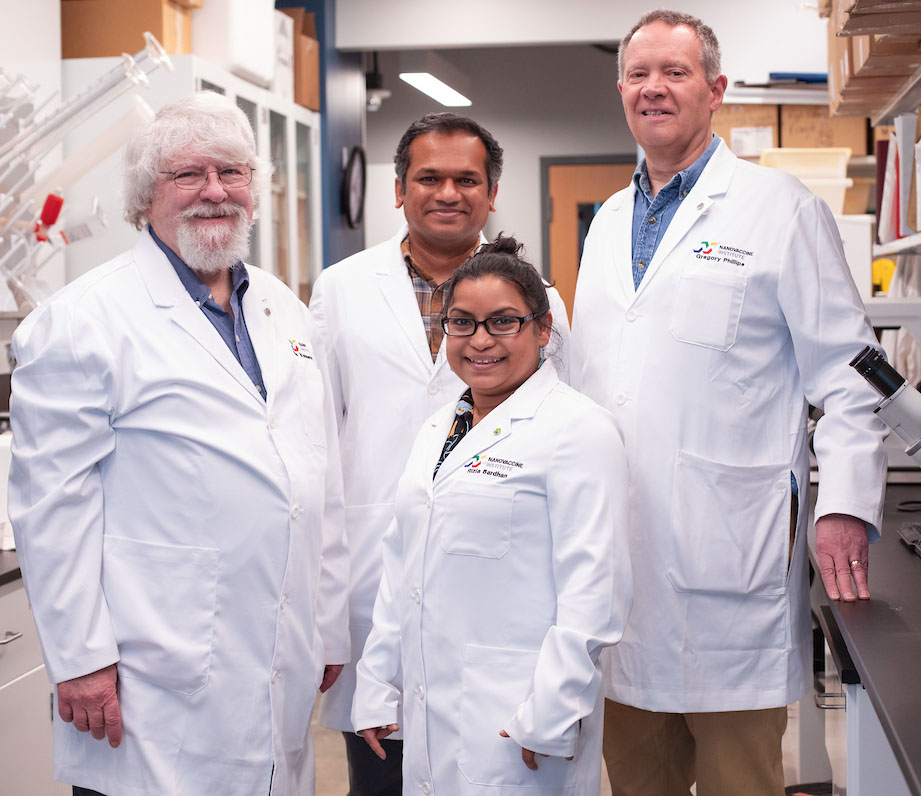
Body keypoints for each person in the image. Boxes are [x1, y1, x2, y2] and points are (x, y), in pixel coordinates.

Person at [570, 10, 888, 796]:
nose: (654, 88)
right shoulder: (607, 222)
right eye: (639, 74)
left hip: (727, 565)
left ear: (714, 91)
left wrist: (844, 506)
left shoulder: (778, 211)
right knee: (634, 781)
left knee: (738, 780)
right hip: (616, 571)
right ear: (620, 92)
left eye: (674, 73)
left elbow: (848, 378)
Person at [8, 91, 349, 796]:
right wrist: (79, 659)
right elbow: (52, 507)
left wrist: (329, 623)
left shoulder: (281, 306)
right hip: (152, 666)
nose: (214, 192)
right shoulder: (82, 321)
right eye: (187, 175)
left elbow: (321, 475)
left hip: (279, 644)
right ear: (144, 199)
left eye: (232, 172)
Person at [309, 113, 570, 795]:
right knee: (380, 770)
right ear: (398, 190)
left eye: (466, 179)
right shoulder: (341, 288)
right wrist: (322, 601)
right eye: (429, 177)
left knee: (491, 767)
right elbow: (315, 443)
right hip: (372, 577)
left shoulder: (539, 302)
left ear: (490, 193)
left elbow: (562, 440)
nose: (447, 192)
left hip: (502, 589)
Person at [352, 235, 632, 795]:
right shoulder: (438, 430)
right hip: (433, 706)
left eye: (504, 322)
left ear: (543, 329)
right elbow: (400, 566)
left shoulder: (578, 429)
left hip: (520, 715)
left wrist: (552, 710)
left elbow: (594, 591)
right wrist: (378, 679)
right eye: (463, 323)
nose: (481, 341)